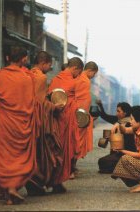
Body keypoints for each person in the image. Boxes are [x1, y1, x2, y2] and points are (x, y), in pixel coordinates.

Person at [0, 46, 37, 204]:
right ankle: (11, 189)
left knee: (4, 156)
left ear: (7, 58)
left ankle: (6, 190)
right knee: (20, 156)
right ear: (24, 59)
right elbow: (32, 101)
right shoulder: (28, 78)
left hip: (5, 123)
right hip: (23, 124)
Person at [25, 51, 64, 196]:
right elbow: (40, 103)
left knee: (37, 152)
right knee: (52, 150)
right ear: (43, 63)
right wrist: (55, 107)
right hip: (42, 120)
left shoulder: (28, 74)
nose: (49, 68)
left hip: (28, 118)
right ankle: (42, 182)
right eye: (49, 65)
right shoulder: (40, 77)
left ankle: (40, 182)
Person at [47, 57, 84, 191]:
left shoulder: (56, 79)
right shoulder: (73, 82)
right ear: (75, 68)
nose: (78, 75)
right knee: (63, 152)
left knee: (56, 150)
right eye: (78, 72)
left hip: (55, 119)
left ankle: (56, 181)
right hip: (65, 120)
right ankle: (57, 181)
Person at [72, 61, 99, 177]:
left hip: (79, 115)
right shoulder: (84, 80)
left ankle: (72, 167)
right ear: (90, 71)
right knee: (76, 143)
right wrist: (85, 117)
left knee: (76, 142)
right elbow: (80, 100)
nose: (94, 76)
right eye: (94, 74)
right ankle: (71, 169)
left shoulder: (79, 78)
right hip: (79, 117)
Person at [96, 100, 136, 173]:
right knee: (102, 161)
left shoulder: (129, 124)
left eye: (118, 111)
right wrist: (100, 106)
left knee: (105, 163)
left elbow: (129, 143)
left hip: (127, 153)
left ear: (125, 113)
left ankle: (125, 167)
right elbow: (105, 116)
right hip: (117, 153)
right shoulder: (118, 121)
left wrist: (114, 138)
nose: (116, 113)